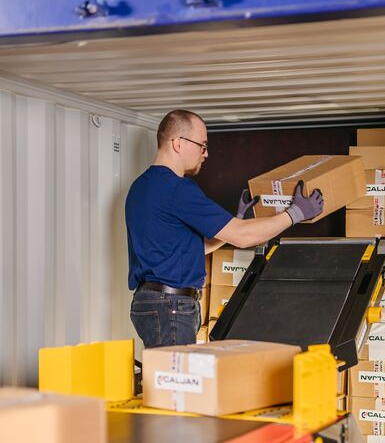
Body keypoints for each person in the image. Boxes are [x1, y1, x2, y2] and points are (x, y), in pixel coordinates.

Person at [125, 109, 323, 348]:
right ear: (178, 143)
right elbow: (242, 237)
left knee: (169, 380)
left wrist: (237, 218)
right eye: (202, 145)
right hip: (171, 307)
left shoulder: (140, 187)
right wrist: (295, 214)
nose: (206, 154)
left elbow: (192, 249)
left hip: (154, 303)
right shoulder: (177, 189)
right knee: (176, 384)